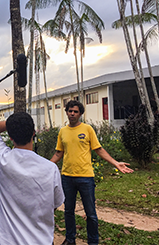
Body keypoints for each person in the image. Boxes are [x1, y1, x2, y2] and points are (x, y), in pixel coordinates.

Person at [51, 100, 134, 245]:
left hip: (85, 178)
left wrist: (116, 163)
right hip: (67, 177)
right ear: (66, 112)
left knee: (91, 214)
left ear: (80, 114)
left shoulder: (87, 129)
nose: (72, 113)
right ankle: (70, 240)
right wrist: (44, 166)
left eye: (75, 111)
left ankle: (93, 242)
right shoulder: (63, 131)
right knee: (68, 211)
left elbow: (99, 149)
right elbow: (59, 153)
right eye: (70, 111)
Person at [0, 112, 65, 245]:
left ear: (10, 136)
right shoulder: (50, 168)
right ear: (33, 132)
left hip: (5, 240)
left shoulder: (2, 160)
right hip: (40, 240)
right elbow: (55, 204)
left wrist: (13, 125)